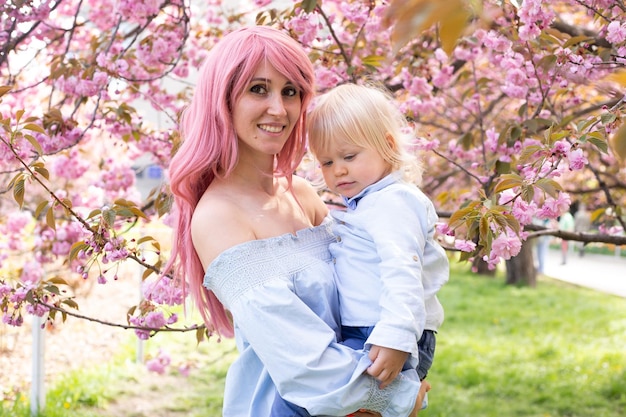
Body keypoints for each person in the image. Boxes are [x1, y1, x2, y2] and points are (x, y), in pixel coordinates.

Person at [165, 26, 427, 417]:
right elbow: (301, 360)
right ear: (223, 99)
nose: (279, 108)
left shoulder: (302, 194)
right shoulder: (219, 216)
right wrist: (398, 397)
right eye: (258, 89)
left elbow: (376, 271)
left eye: (291, 92)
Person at [272, 83, 449, 417]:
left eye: (349, 157)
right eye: (326, 162)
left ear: (388, 145)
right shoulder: (368, 204)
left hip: (387, 332)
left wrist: (396, 338)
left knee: (304, 398)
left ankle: (408, 396)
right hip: (368, 330)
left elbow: (403, 269)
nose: (338, 170)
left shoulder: (394, 201)